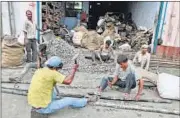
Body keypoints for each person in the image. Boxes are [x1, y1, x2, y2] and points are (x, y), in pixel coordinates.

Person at [28, 56, 98, 114]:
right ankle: (87, 100)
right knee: (69, 100)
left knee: (52, 91)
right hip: (43, 109)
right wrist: (74, 69)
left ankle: (55, 100)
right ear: (55, 67)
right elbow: (68, 81)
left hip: (33, 103)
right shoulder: (53, 74)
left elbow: (53, 79)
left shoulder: (40, 70)